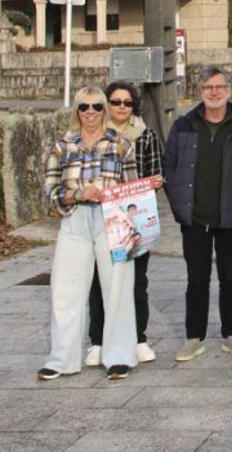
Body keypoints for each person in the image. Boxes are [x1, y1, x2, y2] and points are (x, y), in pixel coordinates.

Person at [164, 67, 232, 362]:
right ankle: (194, 336)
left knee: (230, 277)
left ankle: (231, 333)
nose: (214, 92)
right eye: (208, 87)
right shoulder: (183, 126)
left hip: (231, 217)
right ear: (200, 91)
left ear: (229, 90)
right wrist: (179, 205)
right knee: (196, 278)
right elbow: (170, 168)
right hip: (195, 218)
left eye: (220, 86)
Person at [39, 88, 139, 381]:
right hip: (75, 219)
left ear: (104, 109)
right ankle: (61, 359)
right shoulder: (62, 147)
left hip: (114, 219)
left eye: (97, 106)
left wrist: (115, 197)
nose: (91, 112)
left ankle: (120, 356)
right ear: (77, 110)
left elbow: (131, 185)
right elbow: (50, 189)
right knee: (65, 290)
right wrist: (78, 192)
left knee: (118, 288)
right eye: (85, 106)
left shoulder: (121, 145)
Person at [85, 81, 164, 367]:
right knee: (98, 282)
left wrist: (152, 183)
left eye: (126, 103)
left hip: (133, 217)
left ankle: (138, 338)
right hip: (99, 216)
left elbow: (155, 173)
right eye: (115, 102)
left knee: (136, 282)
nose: (120, 107)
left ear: (134, 107)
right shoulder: (93, 135)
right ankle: (98, 340)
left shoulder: (145, 136)